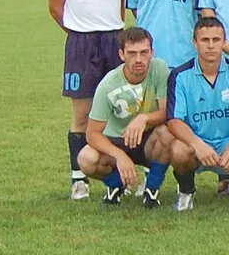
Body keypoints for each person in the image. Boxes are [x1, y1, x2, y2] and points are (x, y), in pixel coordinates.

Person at [47, 0, 131, 200]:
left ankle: (124, 173)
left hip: (113, 40)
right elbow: (56, 7)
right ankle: (78, 178)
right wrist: (79, 31)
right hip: (81, 44)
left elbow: (122, 4)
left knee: (120, 111)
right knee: (82, 115)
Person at [76, 25, 179, 208]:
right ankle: (116, 186)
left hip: (148, 140)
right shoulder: (108, 85)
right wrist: (119, 156)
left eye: (144, 52)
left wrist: (144, 118)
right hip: (117, 140)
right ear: (122, 55)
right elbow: (92, 133)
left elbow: (166, 113)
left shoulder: (160, 69)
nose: (138, 59)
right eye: (132, 53)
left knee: (169, 132)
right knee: (86, 158)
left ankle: (152, 190)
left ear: (152, 52)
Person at [165, 15, 229, 210]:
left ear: (224, 42)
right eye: (204, 40)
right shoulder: (180, 75)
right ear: (195, 43)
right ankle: (186, 190)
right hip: (198, 141)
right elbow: (174, 121)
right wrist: (197, 144)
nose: (210, 45)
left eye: (216, 40)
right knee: (178, 150)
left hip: (228, 141)